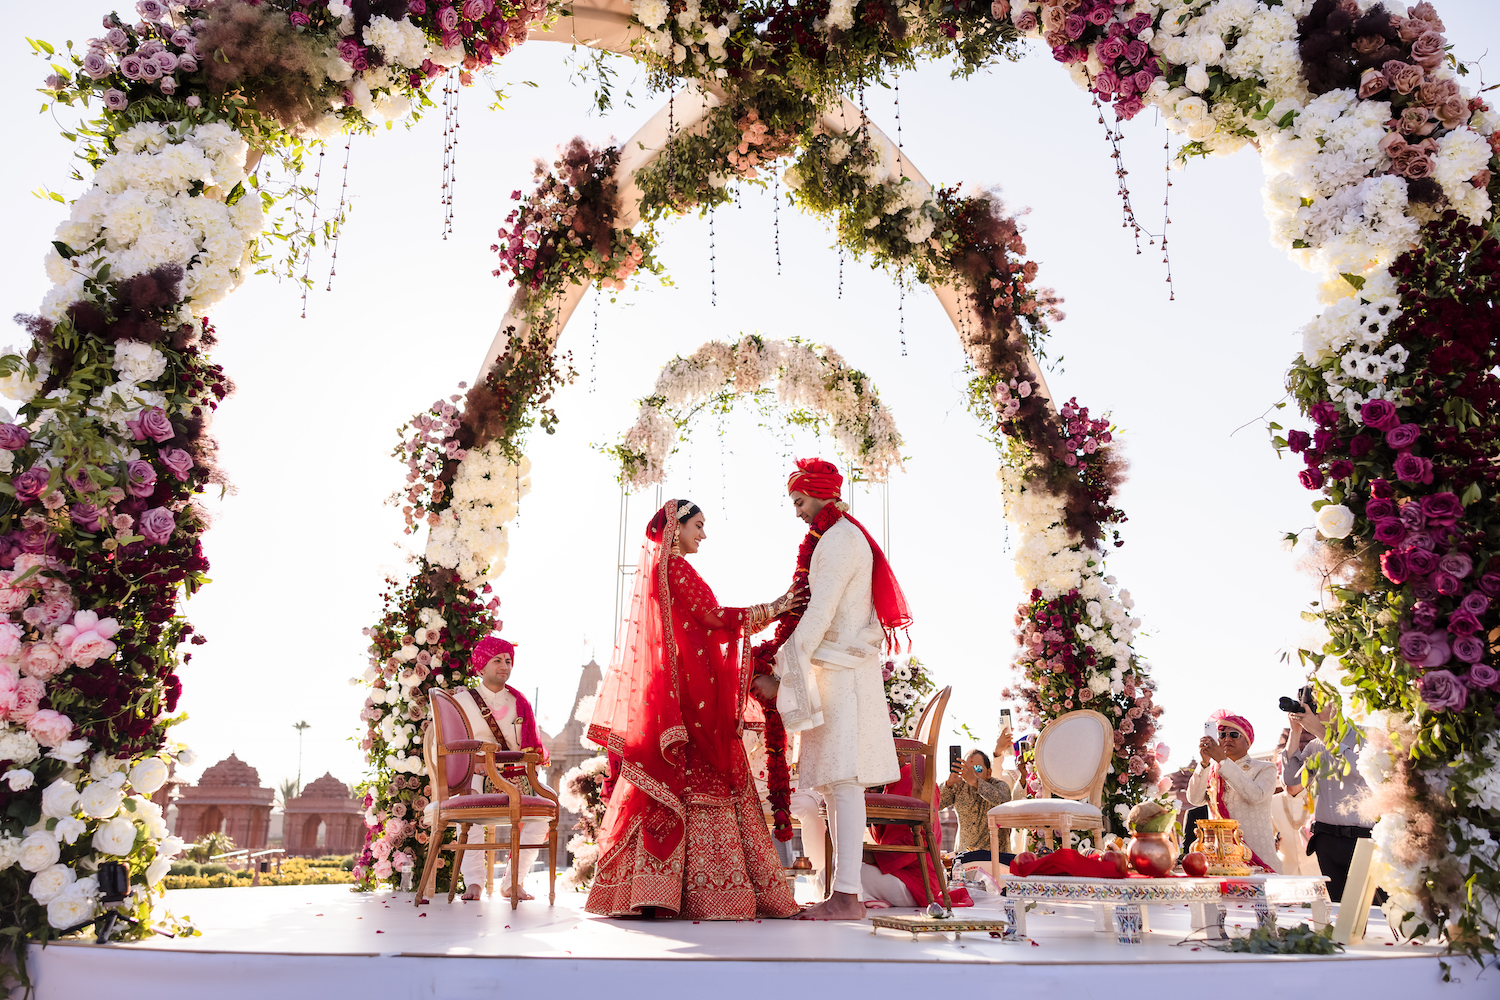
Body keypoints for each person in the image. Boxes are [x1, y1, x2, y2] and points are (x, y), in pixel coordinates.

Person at [586, 499, 802, 919]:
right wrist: (774, 608)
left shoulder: (660, 569)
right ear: (677, 526)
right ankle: (713, 891)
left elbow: (707, 623)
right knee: (705, 774)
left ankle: (653, 889)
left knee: (671, 780)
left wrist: (763, 614)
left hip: (678, 690)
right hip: (689, 696)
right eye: (698, 526)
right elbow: (711, 617)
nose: (703, 535)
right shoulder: (676, 567)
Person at [751, 458, 913, 920]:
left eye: (799, 501)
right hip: (833, 672)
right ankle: (840, 893)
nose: (797, 512)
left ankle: (846, 896)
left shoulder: (841, 540)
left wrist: (779, 672)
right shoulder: (835, 536)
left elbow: (818, 615)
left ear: (820, 494)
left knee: (844, 784)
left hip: (841, 675)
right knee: (837, 785)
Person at [451, 636, 551, 902]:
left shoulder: (520, 702)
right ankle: (473, 882)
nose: (505, 665)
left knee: (544, 811)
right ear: (481, 665)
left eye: (508, 660)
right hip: (475, 774)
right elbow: (453, 745)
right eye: (497, 660)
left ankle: (513, 882)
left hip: (516, 775)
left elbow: (530, 748)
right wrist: (478, 763)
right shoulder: (462, 702)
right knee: (467, 810)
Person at [1283, 693, 1382, 902]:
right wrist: (1295, 732)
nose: (1310, 711)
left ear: (1336, 705)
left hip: (1362, 839)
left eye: (1314, 706)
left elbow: (1362, 770)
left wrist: (1320, 733)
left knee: (1372, 909)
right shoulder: (1314, 747)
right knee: (1340, 910)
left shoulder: (1366, 737)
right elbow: (1292, 785)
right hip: (1326, 840)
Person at [1187, 710, 1282, 873]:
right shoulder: (1211, 771)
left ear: (1248, 741)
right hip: (1220, 860)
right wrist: (1204, 763)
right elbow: (1194, 799)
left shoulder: (1265, 768)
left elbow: (1255, 795)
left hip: (1257, 858)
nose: (1226, 739)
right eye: (1222, 735)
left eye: (1233, 734)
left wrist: (1223, 762)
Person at [942, 748, 1011, 866]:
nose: (971, 774)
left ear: (989, 773)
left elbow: (1002, 800)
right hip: (965, 862)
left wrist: (975, 782)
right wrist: (948, 785)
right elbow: (934, 805)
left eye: (977, 769)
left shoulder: (1000, 786)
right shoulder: (958, 786)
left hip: (996, 861)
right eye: (967, 769)